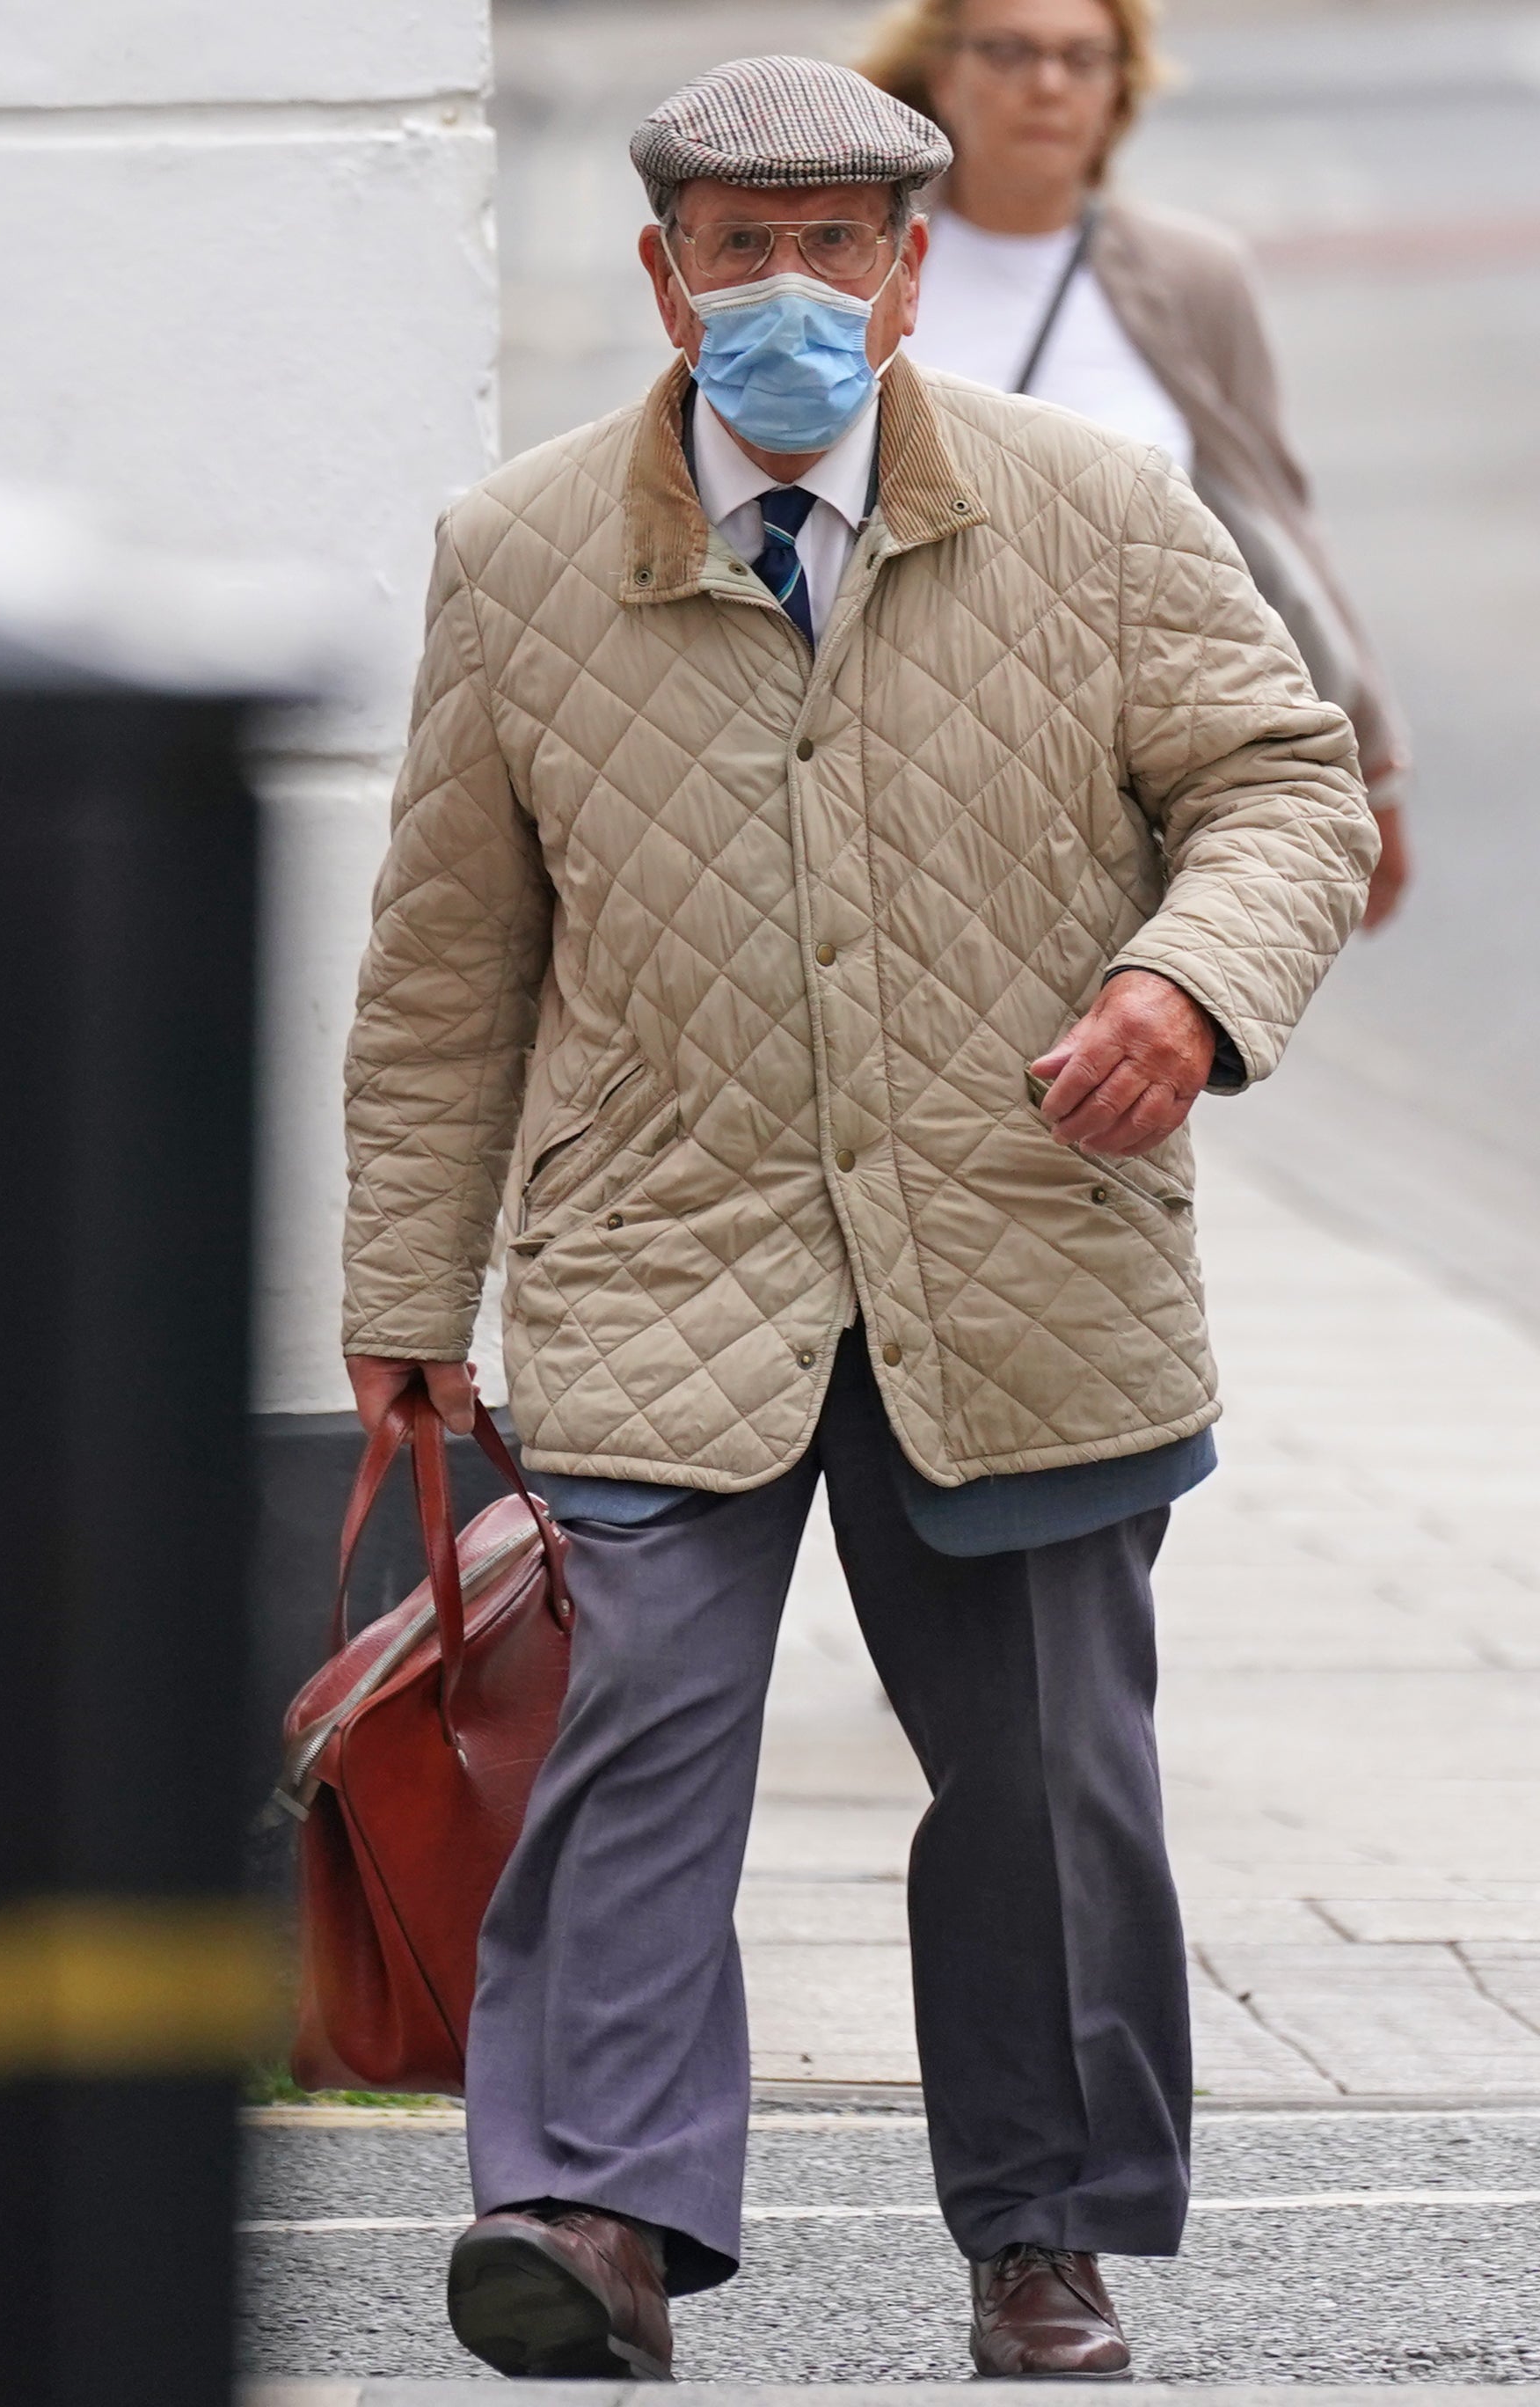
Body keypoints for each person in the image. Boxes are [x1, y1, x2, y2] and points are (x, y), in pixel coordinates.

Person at [339, 54, 1377, 2381]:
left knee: (1041, 1786)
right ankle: (591, 2222)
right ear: (661, 272)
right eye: (739, 245)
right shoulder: (517, 554)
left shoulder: (1098, 510)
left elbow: (1280, 793)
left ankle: (1043, 2237)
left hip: (1022, 1259)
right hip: (658, 1263)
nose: (787, 287)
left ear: (910, 274)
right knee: (644, 1740)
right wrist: (406, 1291)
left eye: (836, 243)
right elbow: (445, 965)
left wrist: (1181, 990)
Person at [859, 0, 1412, 930]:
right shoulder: (864, 260)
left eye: (1083, 58)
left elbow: (1273, 521)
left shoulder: (1194, 275)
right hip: (901, 744)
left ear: (1120, 89)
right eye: (1009, 52)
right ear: (943, 74)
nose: (1047, 85)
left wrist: (1376, 759)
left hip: (1127, 760)